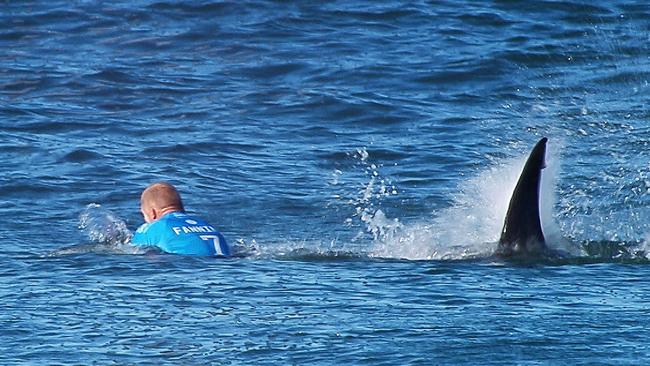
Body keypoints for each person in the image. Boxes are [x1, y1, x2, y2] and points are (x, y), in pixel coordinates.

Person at [131, 182, 231, 257]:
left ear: (152, 213)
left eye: (144, 214)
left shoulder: (155, 227)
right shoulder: (204, 224)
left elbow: (133, 250)